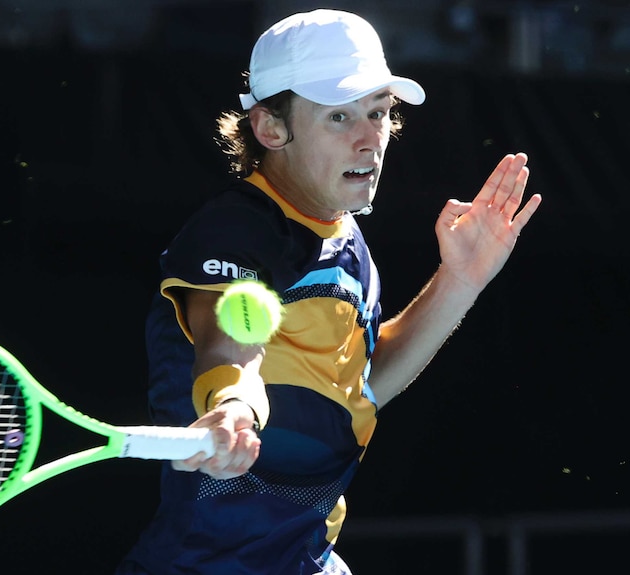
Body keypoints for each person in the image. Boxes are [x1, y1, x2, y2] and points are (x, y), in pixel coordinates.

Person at [114, 8, 541, 575]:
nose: (370, 140)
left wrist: (459, 281)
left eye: (379, 113)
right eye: (339, 116)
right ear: (270, 128)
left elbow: (357, 390)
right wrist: (233, 406)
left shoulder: (348, 243)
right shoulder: (235, 232)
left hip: (308, 560)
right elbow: (232, 342)